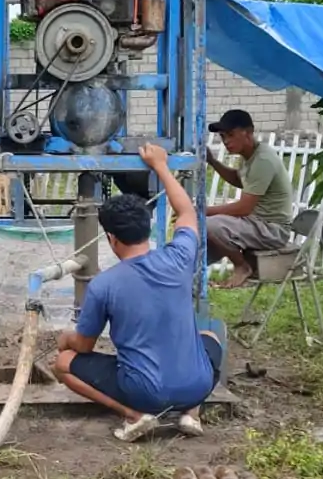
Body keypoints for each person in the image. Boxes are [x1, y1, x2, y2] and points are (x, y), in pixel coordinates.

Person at [52, 143, 225, 442]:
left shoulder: (104, 284)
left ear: (111, 238)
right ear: (146, 227)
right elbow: (186, 211)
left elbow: (84, 347)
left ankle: (134, 416)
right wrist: (160, 165)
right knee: (211, 336)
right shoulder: (179, 257)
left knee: (63, 363)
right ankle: (191, 412)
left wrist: (66, 338)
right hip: (198, 385)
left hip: (145, 393)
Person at [205, 109, 295, 287]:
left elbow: (242, 209)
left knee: (211, 224)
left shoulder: (263, 160)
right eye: (223, 137)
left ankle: (242, 266)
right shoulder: (250, 156)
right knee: (202, 238)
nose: (226, 142)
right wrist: (213, 162)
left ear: (249, 132)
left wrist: (203, 211)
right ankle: (188, 279)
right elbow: (238, 179)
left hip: (272, 230)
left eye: (231, 135)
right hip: (257, 223)